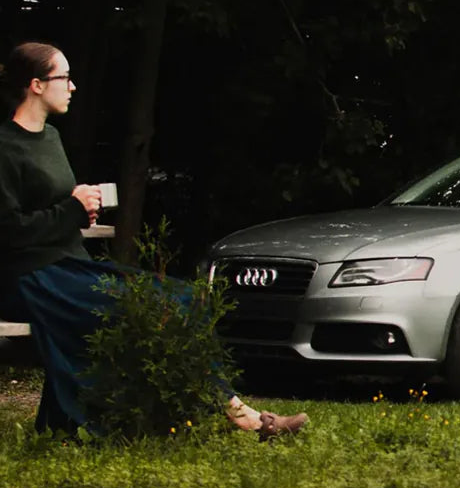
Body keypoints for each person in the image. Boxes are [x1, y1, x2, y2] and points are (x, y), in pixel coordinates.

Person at [0, 41, 308, 439]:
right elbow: (9, 232)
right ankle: (243, 417)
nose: (73, 86)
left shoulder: (52, 138)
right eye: (65, 77)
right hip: (33, 278)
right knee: (156, 305)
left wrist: (80, 209)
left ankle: (200, 413)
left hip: (69, 264)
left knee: (184, 297)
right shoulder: (5, 147)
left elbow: (52, 209)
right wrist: (71, 211)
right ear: (37, 85)